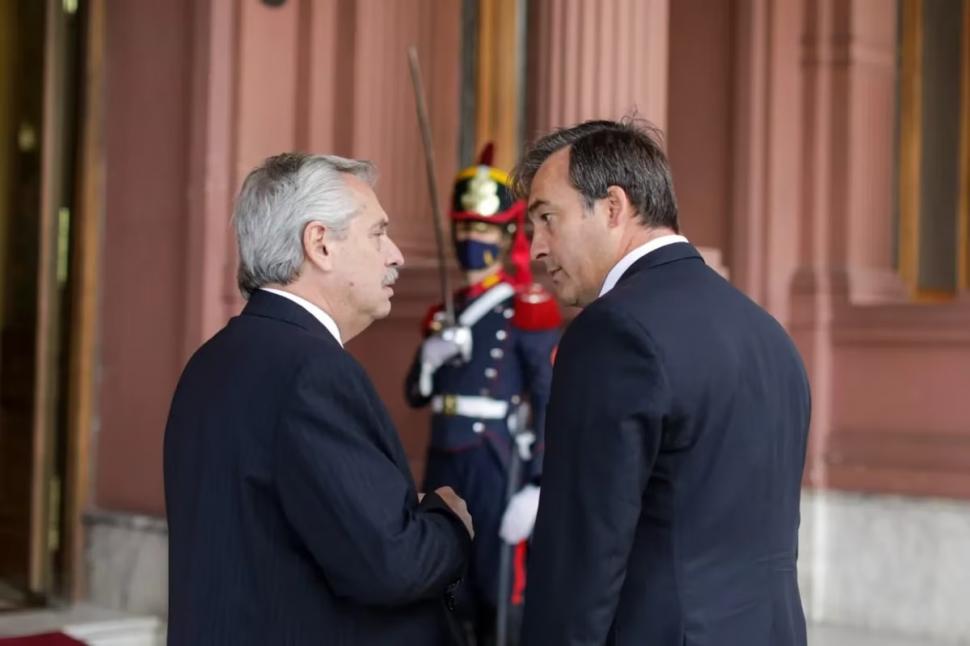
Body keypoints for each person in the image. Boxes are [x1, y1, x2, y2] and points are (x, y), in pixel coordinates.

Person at [512, 120, 811, 646]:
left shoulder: (611, 331)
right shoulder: (768, 333)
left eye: (547, 218)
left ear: (612, 207)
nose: (536, 248)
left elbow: (581, 556)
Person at [164, 153, 473, 645]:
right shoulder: (313, 371)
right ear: (320, 244)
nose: (396, 255)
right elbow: (391, 565)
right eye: (378, 234)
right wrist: (447, 521)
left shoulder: (213, 359)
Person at [405, 145, 561, 645]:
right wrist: (430, 359)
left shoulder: (525, 306)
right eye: (465, 228)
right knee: (446, 583)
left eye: (484, 229)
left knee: (497, 585)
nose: (472, 239)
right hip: (444, 453)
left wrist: (539, 484)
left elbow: (549, 396)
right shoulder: (444, 312)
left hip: (494, 457)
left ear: (505, 236)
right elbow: (415, 394)